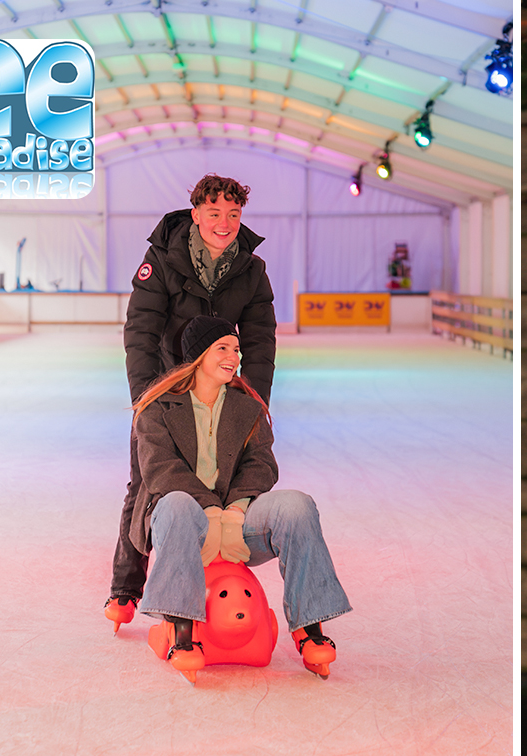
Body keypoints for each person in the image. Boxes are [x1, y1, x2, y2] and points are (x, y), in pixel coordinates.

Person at [133, 316, 350, 677]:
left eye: (236, 349)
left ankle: (309, 628)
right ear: (199, 356)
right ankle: (181, 631)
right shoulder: (157, 408)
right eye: (222, 348)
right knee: (176, 503)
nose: (234, 356)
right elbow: (159, 470)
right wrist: (209, 510)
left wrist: (234, 511)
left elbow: (262, 465)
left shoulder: (246, 406)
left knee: (297, 506)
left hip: (238, 522)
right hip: (185, 524)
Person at [105, 174, 278, 628]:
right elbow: (140, 330)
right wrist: (146, 399)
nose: (225, 223)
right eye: (215, 213)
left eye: (234, 215)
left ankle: (219, 571)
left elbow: (261, 339)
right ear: (196, 213)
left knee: (224, 475)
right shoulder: (163, 259)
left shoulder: (251, 270)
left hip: (220, 386)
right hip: (166, 388)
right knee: (146, 481)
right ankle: (126, 587)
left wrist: (254, 398)